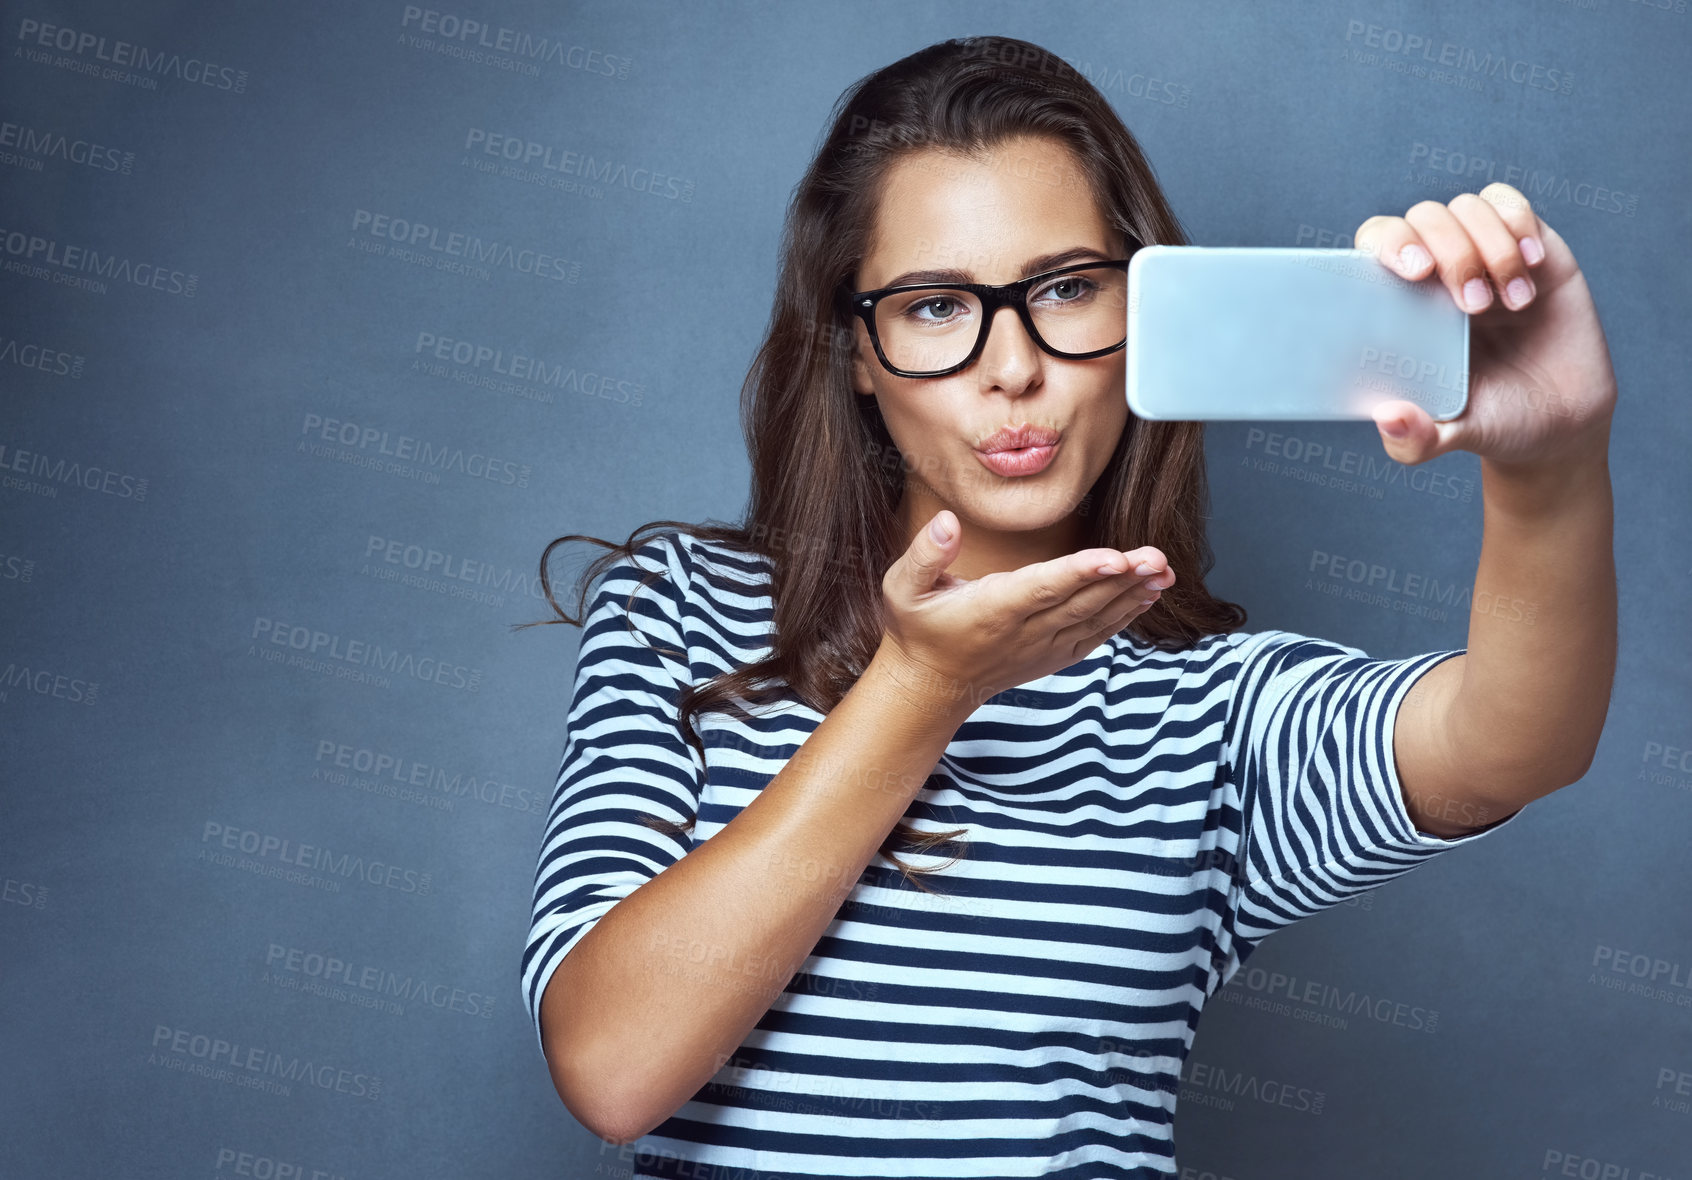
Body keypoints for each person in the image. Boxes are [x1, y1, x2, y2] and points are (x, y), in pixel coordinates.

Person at [518, 34, 1617, 1179]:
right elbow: (612, 1067)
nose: (1013, 368)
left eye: (1066, 289)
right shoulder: (680, 611)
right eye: (939, 306)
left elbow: (1509, 744)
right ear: (859, 349)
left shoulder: (1212, 706)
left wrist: (1552, 464)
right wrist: (922, 686)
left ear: (1143, 310)